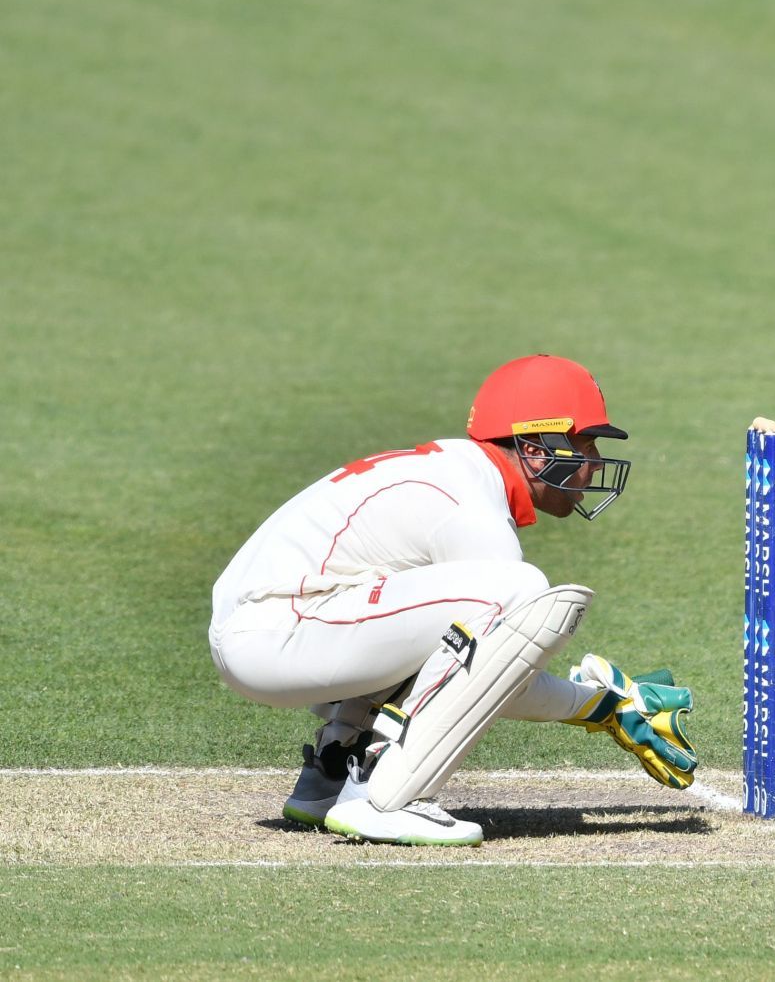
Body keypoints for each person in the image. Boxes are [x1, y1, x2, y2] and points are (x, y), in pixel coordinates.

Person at [208, 354, 697, 846]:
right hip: (281, 635)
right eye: (583, 444)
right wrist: (603, 705)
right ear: (533, 446)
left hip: (278, 629)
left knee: (462, 618)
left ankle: (333, 772)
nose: (592, 464)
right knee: (518, 591)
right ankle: (386, 799)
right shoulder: (468, 505)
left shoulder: (456, 472)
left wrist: (596, 705)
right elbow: (502, 678)